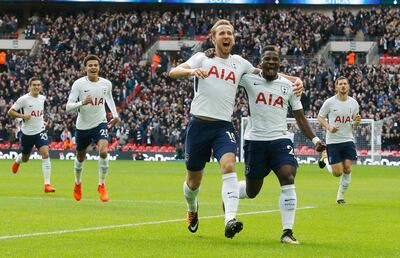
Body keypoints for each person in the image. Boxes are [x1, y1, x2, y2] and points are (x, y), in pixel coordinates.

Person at [169, 19, 303, 238]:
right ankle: (192, 209)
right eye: (221, 33)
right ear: (213, 38)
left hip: (223, 126)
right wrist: (191, 73)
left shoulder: (240, 63)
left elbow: (265, 72)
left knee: (229, 165)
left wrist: (294, 79)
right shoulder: (202, 58)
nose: (226, 36)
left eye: (229, 33)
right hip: (199, 125)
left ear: (233, 38)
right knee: (193, 182)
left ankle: (229, 219)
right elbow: (174, 71)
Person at [237, 45, 325, 244]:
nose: (271, 63)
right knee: (252, 191)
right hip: (256, 141)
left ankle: (287, 232)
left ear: (279, 64)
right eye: (267, 59)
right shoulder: (248, 79)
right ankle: (233, 192)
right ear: (261, 62)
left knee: (288, 175)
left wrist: (315, 140)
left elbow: (300, 118)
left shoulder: (289, 86)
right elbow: (231, 70)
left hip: (280, 139)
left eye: (274, 60)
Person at [66, 54, 120, 202]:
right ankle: (77, 183)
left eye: (95, 65)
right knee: (80, 156)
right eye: (90, 65)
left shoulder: (106, 84)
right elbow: (68, 107)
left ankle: (101, 185)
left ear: (99, 67)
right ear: (85, 68)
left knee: (103, 151)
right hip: (83, 126)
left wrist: (115, 115)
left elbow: (109, 98)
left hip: (100, 122)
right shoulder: (78, 84)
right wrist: (81, 103)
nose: (93, 67)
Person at [317, 76, 361, 205]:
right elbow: (320, 117)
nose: (343, 86)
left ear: (348, 86)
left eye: (345, 84)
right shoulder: (329, 102)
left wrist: (357, 122)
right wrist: (329, 127)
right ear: (336, 87)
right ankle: (325, 158)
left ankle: (340, 197)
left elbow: (354, 123)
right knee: (337, 173)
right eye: (340, 84)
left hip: (348, 140)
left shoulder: (354, 103)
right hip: (333, 141)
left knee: (347, 169)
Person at [7, 77, 55, 193]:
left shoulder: (42, 98)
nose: (37, 87)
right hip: (27, 133)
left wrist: (41, 121)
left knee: (45, 153)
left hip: (40, 131)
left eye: (38, 85)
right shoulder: (23, 99)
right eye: (34, 85)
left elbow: (38, 114)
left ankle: (47, 185)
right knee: (25, 158)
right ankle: (18, 160)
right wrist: (23, 117)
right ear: (29, 86)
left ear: (41, 87)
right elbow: (10, 112)